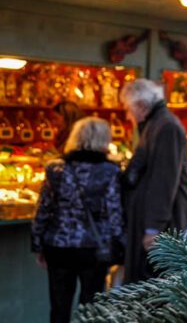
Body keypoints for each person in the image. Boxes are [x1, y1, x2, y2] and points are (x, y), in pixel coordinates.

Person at [31, 117, 124, 323]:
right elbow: (114, 213)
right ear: (104, 139)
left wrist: (38, 245)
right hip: (95, 248)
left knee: (59, 308)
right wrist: (120, 246)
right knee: (91, 309)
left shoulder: (55, 168)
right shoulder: (111, 171)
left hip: (58, 246)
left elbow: (43, 210)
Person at [121, 79, 187, 283]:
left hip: (163, 226)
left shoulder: (166, 127)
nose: (128, 116)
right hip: (157, 223)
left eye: (128, 109)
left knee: (156, 286)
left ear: (141, 107)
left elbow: (164, 180)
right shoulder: (157, 125)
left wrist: (153, 228)